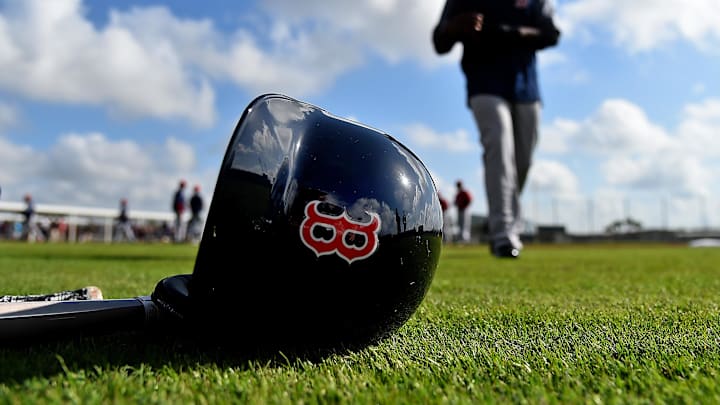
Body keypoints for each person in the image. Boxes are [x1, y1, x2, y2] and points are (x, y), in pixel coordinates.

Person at [433, 0, 561, 258]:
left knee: (522, 161)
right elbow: (439, 42)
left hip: (526, 89)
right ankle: (504, 235)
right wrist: (452, 29)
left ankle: (500, 221)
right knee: (499, 151)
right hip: (485, 83)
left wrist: (511, 33)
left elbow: (551, 35)